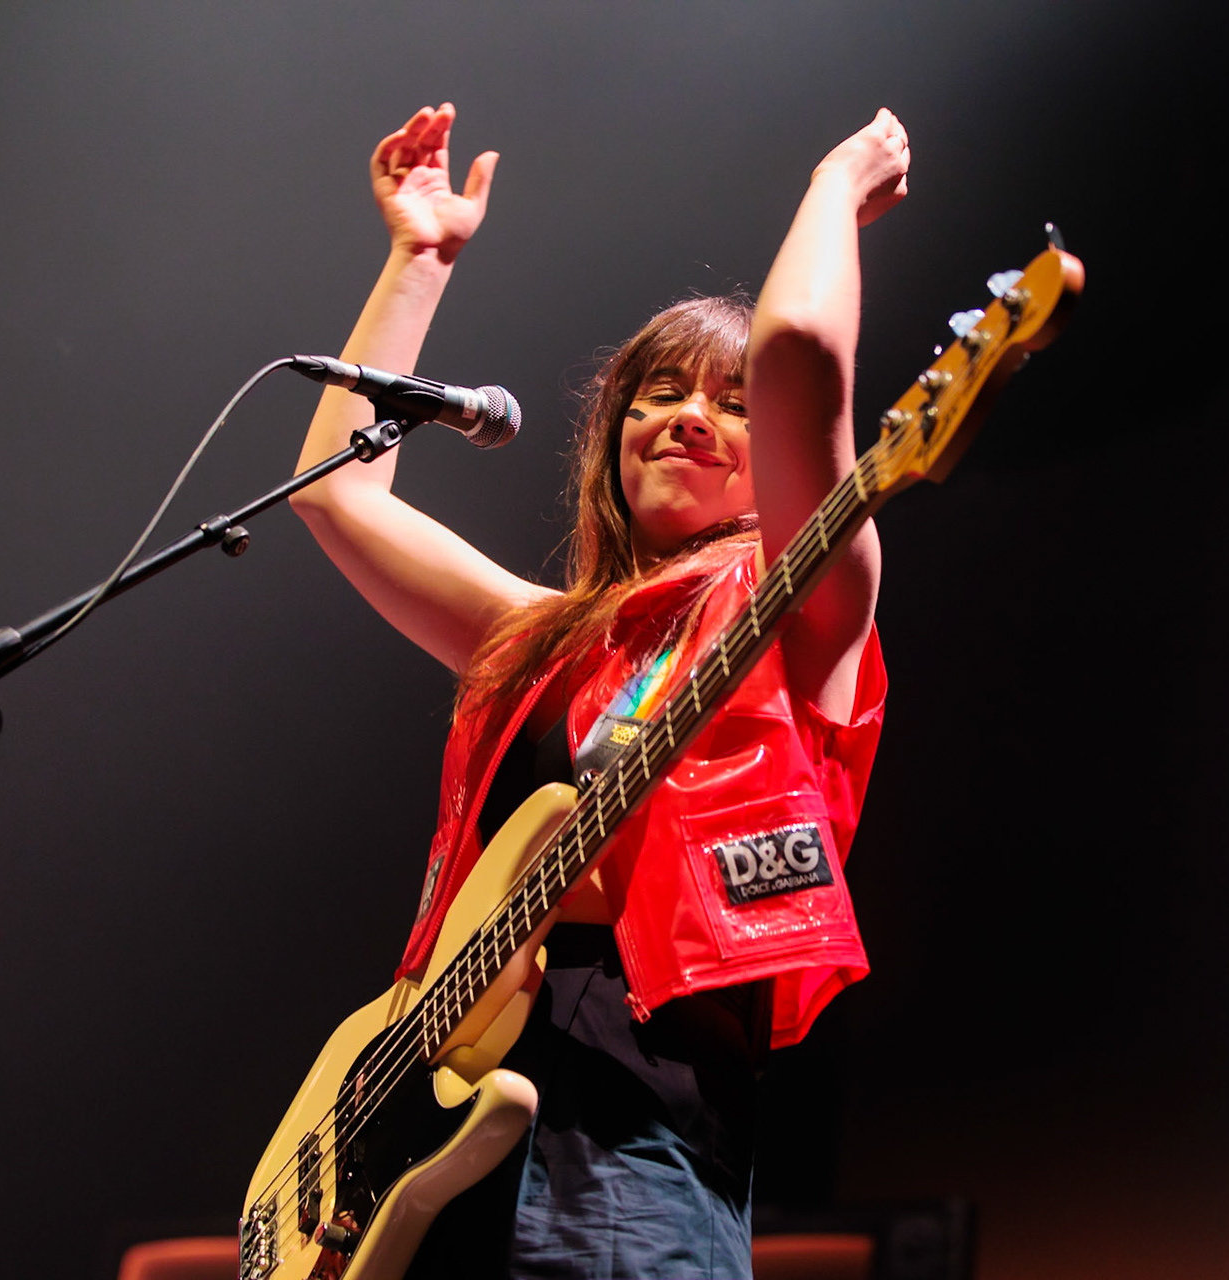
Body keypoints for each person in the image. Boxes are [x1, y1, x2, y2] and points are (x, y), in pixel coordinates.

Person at [290, 101, 909, 1280]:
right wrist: (416, 262)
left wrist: (835, 184)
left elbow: (797, 359)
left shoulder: (807, 603)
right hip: (429, 1134)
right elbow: (336, 495)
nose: (688, 417)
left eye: (727, 405)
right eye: (659, 393)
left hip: (633, 1137)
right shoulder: (535, 638)